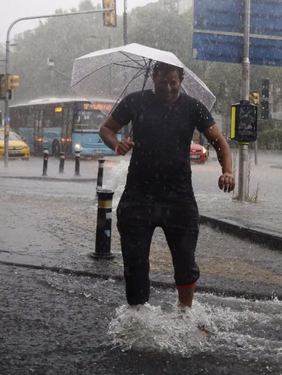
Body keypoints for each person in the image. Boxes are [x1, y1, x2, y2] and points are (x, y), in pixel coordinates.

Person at [99, 62, 235, 310]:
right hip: (138, 197)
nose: (168, 87)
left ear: (181, 80)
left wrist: (227, 171)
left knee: (185, 262)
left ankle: (185, 313)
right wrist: (116, 144)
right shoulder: (135, 101)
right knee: (135, 262)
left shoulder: (193, 107)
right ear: (154, 78)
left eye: (174, 82)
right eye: (163, 81)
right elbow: (106, 129)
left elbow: (219, 142)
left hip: (179, 198)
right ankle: (138, 316)